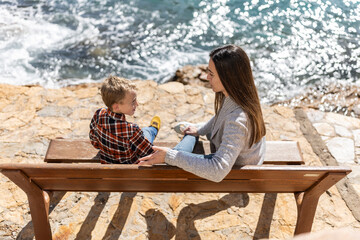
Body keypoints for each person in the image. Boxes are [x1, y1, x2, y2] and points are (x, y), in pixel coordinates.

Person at [138, 44, 266, 182]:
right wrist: (199, 130)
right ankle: (185, 140)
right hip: (242, 155)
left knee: (175, 159)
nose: (206, 77)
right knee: (181, 148)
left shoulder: (238, 120)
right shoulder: (240, 95)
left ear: (228, 78)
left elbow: (218, 169)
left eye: (211, 74)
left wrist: (169, 156)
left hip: (237, 169)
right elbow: (221, 116)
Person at [89, 75, 161, 164]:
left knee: (142, 134)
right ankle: (153, 128)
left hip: (107, 164)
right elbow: (149, 153)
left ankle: (150, 130)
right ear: (116, 107)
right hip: (130, 170)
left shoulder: (98, 114)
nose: (137, 104)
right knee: (147, 132)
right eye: (133, 101)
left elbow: (94, 141)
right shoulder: (132, 131)